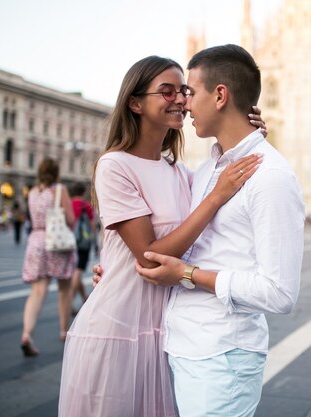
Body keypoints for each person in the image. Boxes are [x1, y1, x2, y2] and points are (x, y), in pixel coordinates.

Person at [58, 55, 263, 417]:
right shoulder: (114, 165)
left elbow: (216, 209)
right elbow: (149, 256)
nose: (181, 100)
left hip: (168, 329)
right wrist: (217, 195)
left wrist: (250, 133)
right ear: (135, 103)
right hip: (119, 326)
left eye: (183, 91)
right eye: (167, 92)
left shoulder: (180, 172)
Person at [130, 44, 304, 417]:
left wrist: (189, 274)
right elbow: (174, 234)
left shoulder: (270, 177)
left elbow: (280, 293)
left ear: (221, 95)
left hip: (223, 356)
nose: (185, 103)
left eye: (191, 92)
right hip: (183, 345)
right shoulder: (207, 171)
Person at [20, 158, 77, 356]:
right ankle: (64, 331)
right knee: (64, 288)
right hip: (56, 240)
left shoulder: (34, 192)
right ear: (56, 172)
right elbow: (70, 219)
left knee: (37, 291)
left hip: (35, 240)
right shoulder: (59, 190)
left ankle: (27, 334)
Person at [68, 182, 97, 311]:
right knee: (78, 271)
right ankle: (68, 302)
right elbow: (92, 225)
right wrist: (96, 241)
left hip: (68, 241)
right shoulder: (86, 205)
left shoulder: (68, 204)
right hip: (83, 242)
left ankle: (84, 298)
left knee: (75, 271)